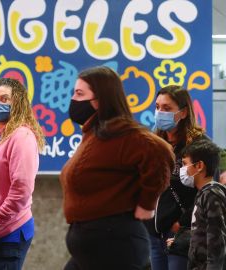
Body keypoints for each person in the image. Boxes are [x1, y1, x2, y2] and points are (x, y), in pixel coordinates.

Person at [60, 66, 175, 270]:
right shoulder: (95, 134)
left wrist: (147, 204)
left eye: (80, 94)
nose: (74, 100)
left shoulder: (119, 132)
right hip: (93, 246)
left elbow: (160, 151)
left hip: (116, 245)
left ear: (100, 100)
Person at [0, 78, 45, 270]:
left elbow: (21, 190)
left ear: (17, 103)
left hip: (7, 233)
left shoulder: (21, 136)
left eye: (4, 99)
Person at [146, 85, 208, 270]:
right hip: (153, 232)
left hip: (181, 234)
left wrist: (181, 223)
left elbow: (206, 191)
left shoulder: (199, 146)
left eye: (166, 108)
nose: (159, 112)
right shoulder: (154, 143)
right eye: (157, 107)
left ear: (183, 113)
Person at [180, 140, 226, 270]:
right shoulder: (204, 193)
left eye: (185, 164)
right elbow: (203, 232)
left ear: (199, 165)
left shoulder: (211, 195)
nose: (182, 170)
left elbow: (217, 243)